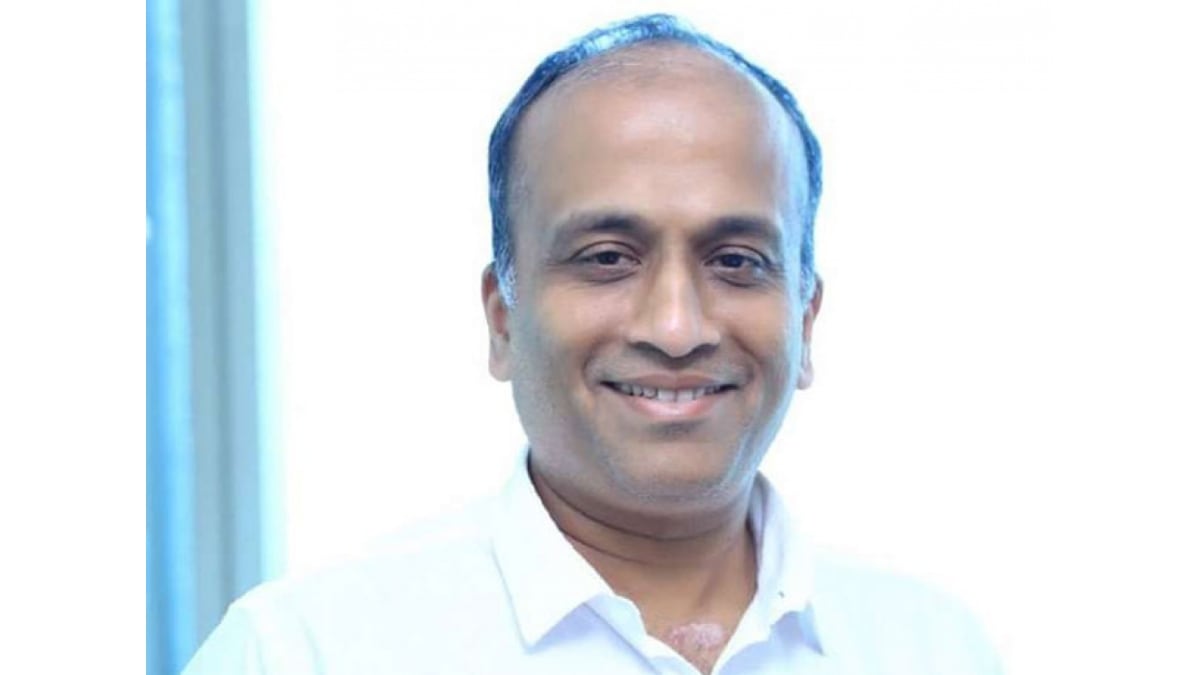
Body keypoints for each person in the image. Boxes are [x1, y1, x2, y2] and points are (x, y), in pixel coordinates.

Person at [183, 13, 1002, 675]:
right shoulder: (305, 651)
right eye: (607, 257)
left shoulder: (932, 649)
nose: (676, 327)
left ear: (806, 319)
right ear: (502, 318)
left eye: (736, 261)